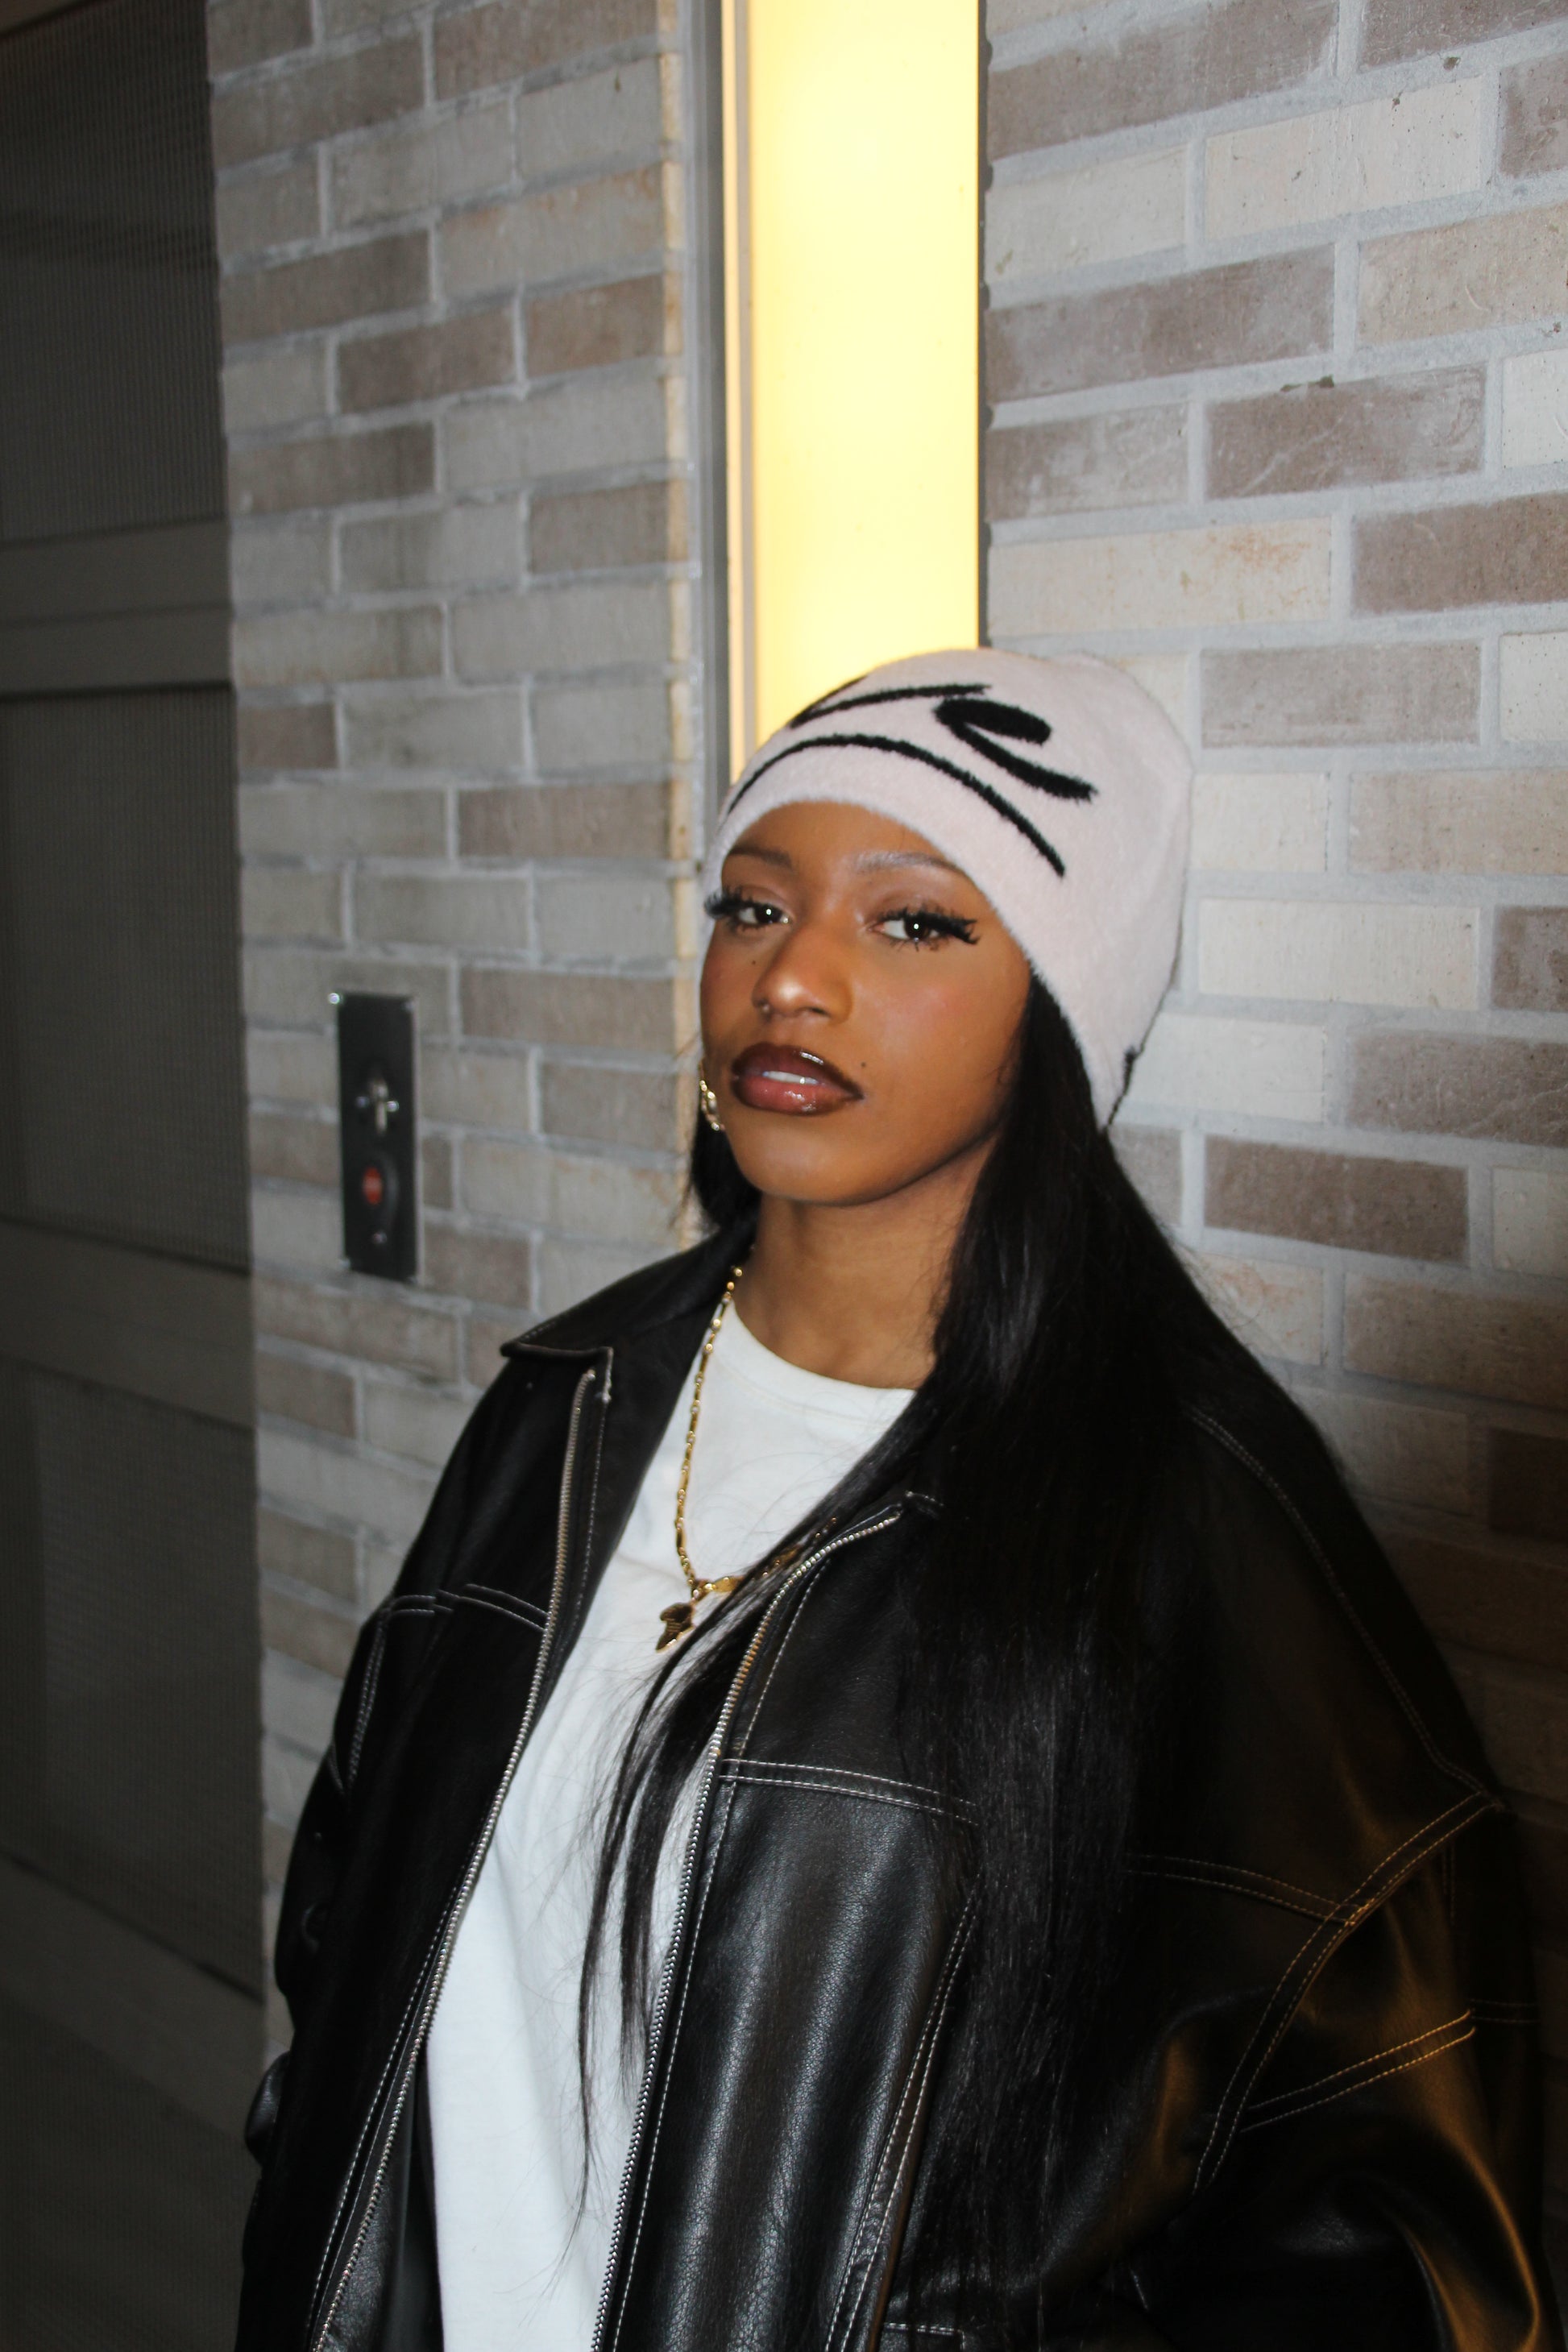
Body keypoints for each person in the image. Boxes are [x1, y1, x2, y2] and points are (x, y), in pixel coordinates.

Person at [236, 650, 1559, 2352]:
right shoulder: (566, 1406)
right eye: (751, 904)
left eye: (915, 921)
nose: (790, 977)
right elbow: (353, 1931)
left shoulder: (1196, 1548)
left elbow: (1387, 2247)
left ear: (1062, 1011)